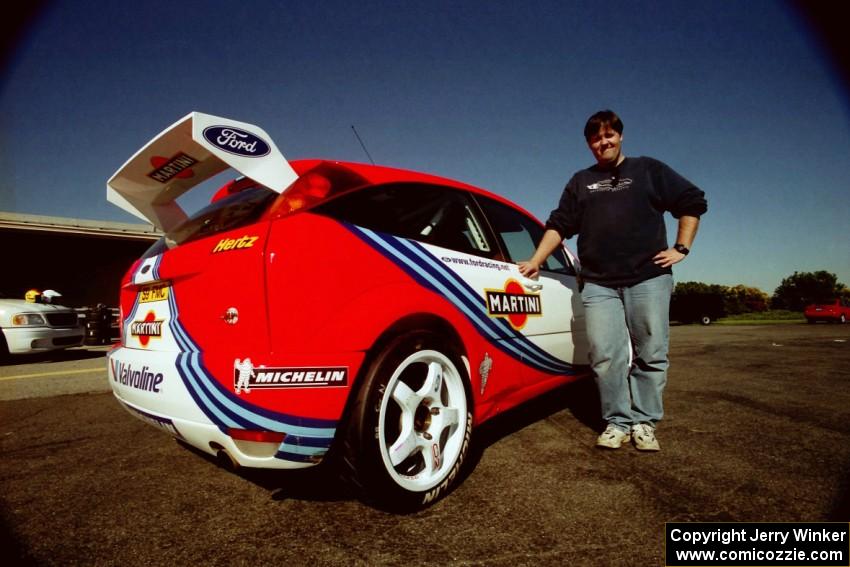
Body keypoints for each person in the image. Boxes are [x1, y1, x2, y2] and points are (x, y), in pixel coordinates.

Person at [518, 110, 707, 451]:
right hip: (599, 283)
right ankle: (617, 421)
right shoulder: (581, 181)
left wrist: (681, 247)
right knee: (606, 356)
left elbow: (692, 201)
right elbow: (559, 224)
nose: (602, 142)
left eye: (608, 136)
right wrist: (536, 260)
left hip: (648, 278)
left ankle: (645, 422)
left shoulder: (648, 169)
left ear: (620, 136)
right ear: (589, 143)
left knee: (651, 352)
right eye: (594, 138)